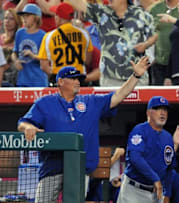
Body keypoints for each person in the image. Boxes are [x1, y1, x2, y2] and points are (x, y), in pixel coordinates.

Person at [17, 56, 150, 203]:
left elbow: (119, 96)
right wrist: (28, 127)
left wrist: (136, 75)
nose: (77, 82)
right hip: (52, 168)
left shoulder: (90, 101)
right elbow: (23, 122)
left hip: (79, 170)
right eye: (73, 79)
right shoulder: (45, 102)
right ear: (60, 81)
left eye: (78, 79)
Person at [66, 0, 157, 86]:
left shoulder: (140, 14)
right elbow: (78, 3)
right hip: (109, 79)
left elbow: (154, 35)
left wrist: (146, 44)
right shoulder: (102, 13)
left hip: (137, 77)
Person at [118, 96, 179, 203]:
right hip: (134, 189)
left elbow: (169, 168)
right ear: (148, 113)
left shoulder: (168, 137)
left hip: (156, 193)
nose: (162, 113)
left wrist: (167, 194)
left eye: (165, 110)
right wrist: (155, 178)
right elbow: (135, 158)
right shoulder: (140, 130)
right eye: (158, 109)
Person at [37, 2, 93, 86]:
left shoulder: (49, 36)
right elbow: (88, 61)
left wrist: (54, 77)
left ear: (58, 18)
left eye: (56, 15)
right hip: (78, 79)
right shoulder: (84, 34)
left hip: (59, 78)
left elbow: (43, 66)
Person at [11, 3, 47, 87]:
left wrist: (32, 55)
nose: (24, 18)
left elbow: (45, 60)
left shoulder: (43, 36)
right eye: (23, 16)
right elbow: (14, 52)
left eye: (27, 16)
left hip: (38, 80)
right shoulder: (19, 33)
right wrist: (16, 61)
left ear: (36, 18)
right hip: (22, 79)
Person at [149, 0, 179, 85]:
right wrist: (151, 56)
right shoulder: (155, 9)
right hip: (159, 62)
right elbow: (149, 32)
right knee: (158, 95)